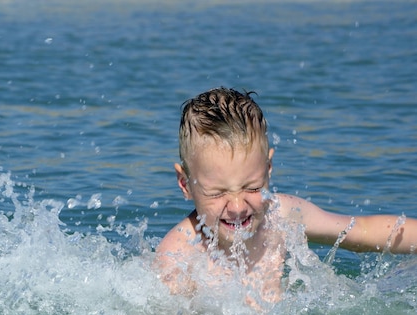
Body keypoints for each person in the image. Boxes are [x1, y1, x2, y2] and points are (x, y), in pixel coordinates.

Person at [155, 87, 417, 304]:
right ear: (185, 184)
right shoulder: (179, 256)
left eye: (253, 187)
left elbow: (362, 230)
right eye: (217, 193)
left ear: (268, 170)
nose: (236, 206)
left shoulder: (281, 215)